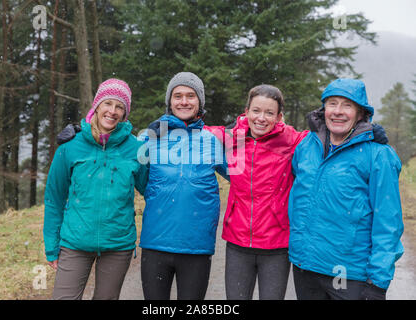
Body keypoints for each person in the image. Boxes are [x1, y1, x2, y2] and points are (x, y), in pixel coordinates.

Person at [288, 78, 404, 300]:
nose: (338, 111)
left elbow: (388, 222)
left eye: (347, 105)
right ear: (323, 110)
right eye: (332, 103)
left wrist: (378, 282)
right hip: (305, 266)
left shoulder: (378, 155)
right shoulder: (306, 146)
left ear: (361, 114)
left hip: (348, 273)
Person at [43, 78, 149, 300]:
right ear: (97, 106)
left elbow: (153, 191)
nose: (112, 111)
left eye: (119, 106)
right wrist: (52, 246)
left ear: (125, 113)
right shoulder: (70, 147)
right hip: (74, 243)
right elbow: (54, 198)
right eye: (108, 103)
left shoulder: (136, 150)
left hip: (118, 245)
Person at [138, 72, 229, 300]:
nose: (184, 101)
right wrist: (85, 133)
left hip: (196, 245)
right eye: (178, 96)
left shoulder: (211, 141)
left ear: (200, 102)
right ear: (169, 101)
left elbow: (248, 175)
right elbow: (118, 156)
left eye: (191, 95)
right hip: (155, 242)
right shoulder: (150, 137)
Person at [220, 85, 308, 300]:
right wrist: (161, 132)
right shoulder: (233, 138)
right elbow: (197, 135)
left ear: (279, 117)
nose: (261, 118)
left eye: (269, 113)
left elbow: (327, 141)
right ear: (246, 111)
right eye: (256, 111)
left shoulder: (292, 141)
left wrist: (364, 132)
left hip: (276, 245)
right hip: (238, 242)